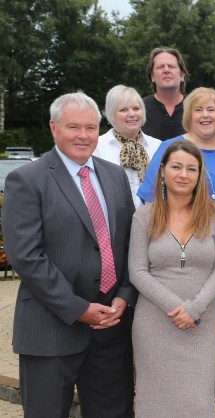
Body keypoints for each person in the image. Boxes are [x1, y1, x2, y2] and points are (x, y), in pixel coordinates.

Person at [2, 92, 136, 417]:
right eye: (73, 127)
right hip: (50, 331)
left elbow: (131, 244)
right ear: (53, 128)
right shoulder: (27, 180)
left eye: (90, 128)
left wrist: (125, 295)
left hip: (110, 330)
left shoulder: (115, 176)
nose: (83, 135)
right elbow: (26, 256)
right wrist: (78, 308)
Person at [137, 86, 215, 403]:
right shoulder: (171, 147)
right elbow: (151, 196)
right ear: (189, 114)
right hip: (173, 246)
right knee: (172, 312)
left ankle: (210, 377)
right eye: (199, 109)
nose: (205, 115)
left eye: (211, 109)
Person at [128, 140, 215, 417]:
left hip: (201, 324)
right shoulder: (144, 217)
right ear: (162, 170)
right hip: (154, 325)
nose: (183, 174)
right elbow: (137, 271)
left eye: (191, 168)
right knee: (155, 404)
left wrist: (194, 308)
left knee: (198, 404)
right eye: (176, 167)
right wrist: (177, 307)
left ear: (200, 175)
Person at [94, 85, 162, 208]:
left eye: (136, 108)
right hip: (113, 222)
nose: (132, 114)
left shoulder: (157, 146)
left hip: (151, 220)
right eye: (123, 110)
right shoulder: (97, 146)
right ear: (111, 113)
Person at [142, 47, 188, 140]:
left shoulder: (196, 108)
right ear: (152, 77)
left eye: (171, 66)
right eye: (160, 67)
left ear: (182, 75)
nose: (166, 70)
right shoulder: (139, 109)